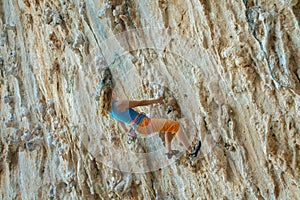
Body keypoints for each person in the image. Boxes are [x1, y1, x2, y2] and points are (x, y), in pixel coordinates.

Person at [99, 86, 201, 159]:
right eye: (114, 92)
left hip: (138, 127)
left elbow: (121, 123)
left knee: (168, 127)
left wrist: (129, 133)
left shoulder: (110, 112)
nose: (116, 93)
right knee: (176, 126)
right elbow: (140, 103)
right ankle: (191, 150)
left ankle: (169, 152)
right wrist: (157, 100)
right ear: (112, 93)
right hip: (143, 123)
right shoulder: (119, 104)